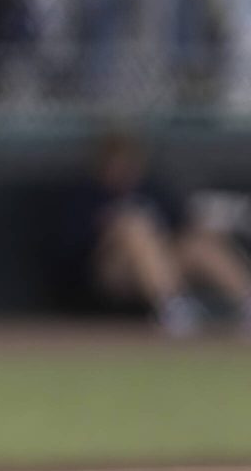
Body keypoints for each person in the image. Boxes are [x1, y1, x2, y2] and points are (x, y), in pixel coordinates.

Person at [58, 131, 251, 336]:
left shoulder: (153, 189)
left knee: (199, 243)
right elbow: (71, 248)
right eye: (115, 161)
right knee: (133, 226)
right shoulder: (85, 195)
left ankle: (246, 299)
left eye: (128, 160)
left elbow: (182, 226)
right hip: (112, 273)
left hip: (164, 263)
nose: (122, 168)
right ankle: (174, 308)